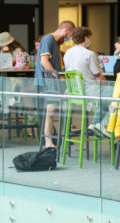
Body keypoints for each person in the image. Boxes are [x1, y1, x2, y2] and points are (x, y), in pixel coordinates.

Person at [63, 27, 111, 137]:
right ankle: (100, 124)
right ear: (86, 38)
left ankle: (96, 124)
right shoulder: (89, 54)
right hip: (90, 92)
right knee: (117, 95)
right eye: (89, 37)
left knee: (108, 94)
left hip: (74, 93)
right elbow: (99, 78)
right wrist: (108, 84)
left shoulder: (67, 54)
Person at [35, 20, 75, 148]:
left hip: (52, 80)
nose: (69, 38)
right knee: (50, 111)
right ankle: (48, 142)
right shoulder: (48, 39)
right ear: (66, 31)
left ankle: (61, 136)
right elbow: (44, 61)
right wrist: (58, 77)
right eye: (70, 34)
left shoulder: (54, 42)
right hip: (49, 81)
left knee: (54, 109)